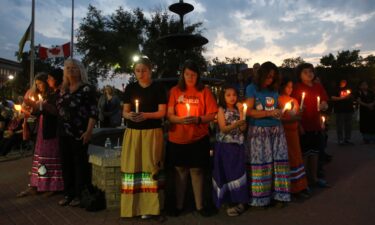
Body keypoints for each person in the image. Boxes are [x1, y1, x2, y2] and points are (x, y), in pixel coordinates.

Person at [167, 60, 218, 217]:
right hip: (178, 138)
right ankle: (179, 205)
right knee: (180, 171)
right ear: (183, 74)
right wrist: (180, 120)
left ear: (198, 76)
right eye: (187, 74)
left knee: (197, 171)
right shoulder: (175, 91)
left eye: (193, 75)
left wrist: (198, 120)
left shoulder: (205, 92)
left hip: (198, 138)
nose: (190, 77)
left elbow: (212, 114)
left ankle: (200, 205)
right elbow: (169, 114)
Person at [120, 57, 167, 219]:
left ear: (150, 70)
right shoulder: (130, 88)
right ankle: (132, 207)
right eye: (137, 71)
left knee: (151, 167)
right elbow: (124, 112)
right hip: (133, 133)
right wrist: (130, 116)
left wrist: (145, 115)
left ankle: (151, 208)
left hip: (152, 132)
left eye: (144, 70)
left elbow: (162, 112)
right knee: (134, 167)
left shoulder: (158, 88)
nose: (141, 74)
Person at [244, 61, 290, 207]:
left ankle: (280, 196)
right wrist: (269, 113)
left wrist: (281, 112)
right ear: (262, 74)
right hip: (259, 131)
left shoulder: (274, 89)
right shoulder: (251, 88)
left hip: (276, 130)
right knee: (261, 163)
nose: (270, 80)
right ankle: (261, 198)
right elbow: (249, 111)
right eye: (268, 76)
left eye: (273, 77)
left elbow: (277, 108)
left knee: (279, 163)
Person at [56, 59, 98, 207]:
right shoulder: (62, 89)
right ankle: (69, 193)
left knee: (80, 165)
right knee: (66, 164)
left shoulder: (87, 88)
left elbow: (94, 112)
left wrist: (88, 131)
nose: (71, 70)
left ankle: (80, 195)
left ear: (80, 70)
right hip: (63, 133)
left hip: (80, 133)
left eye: (74, 68)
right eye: (68, 68)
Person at [17, 73, 64, 197]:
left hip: (51, 131)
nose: (38, 86)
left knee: (49, 159)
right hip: (42, 130)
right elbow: (38, 113)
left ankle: (52, 186)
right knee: (39, 159)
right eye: (36, 84)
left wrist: (40, 105)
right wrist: (30, 110)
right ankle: (37, 184)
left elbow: (55, 112)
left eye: (41, 83)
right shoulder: (43, 95)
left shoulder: (55, 95)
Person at [292, 63, 330, 188]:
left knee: (315, 153)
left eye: (311, 71)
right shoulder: (297, 87)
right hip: (303, 126)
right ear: (299, 75)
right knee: (304, 154)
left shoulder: (318, 86)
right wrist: (298, 124)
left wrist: (324, 105)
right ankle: (303, 181)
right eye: (305, 72)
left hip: (316, 125)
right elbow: (292, 108)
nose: (309, 74)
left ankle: (313, 178)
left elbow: (325, 101)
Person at [212, 85, 248, 216]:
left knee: (238, 173)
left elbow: (243, 128)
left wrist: (242, 113)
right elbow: (223, 128)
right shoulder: (221, 109)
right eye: (228, 95)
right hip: (225, 146)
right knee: (226, 173)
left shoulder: (240, 110)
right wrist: (236, 124)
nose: (232, 97)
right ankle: (228, 200)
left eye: (234, 94)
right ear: (223, 97)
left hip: (238, 146)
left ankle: (239, 201)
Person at [279, 78, 309, 198]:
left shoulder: (295, 100)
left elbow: (297, 116)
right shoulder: (278, 100)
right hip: (285, 134)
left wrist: (300, 114)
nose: (290, 89)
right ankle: (292, 188)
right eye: (287, 87)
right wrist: (295, 119)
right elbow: (280, 118)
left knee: (297, 157)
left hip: (294, 133)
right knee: (290, 158)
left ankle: (301, 185)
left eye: (292, 87)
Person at [331, 79, 354, 145]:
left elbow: (353, 97)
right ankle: (340, 139)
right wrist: (342, 98)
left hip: (349, 109)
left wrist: (350, 97)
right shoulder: (336, 89)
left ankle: (347, 139)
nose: (344, 82)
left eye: (345, 81)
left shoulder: (349, 89)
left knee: (348, 125)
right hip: (339, 109)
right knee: (340, 125)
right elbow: (332, 97)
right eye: (342, 81)